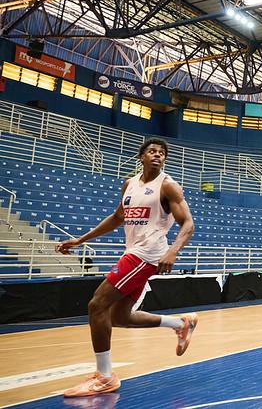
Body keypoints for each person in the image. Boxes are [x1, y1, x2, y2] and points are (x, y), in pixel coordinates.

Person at [55, 138, 197, 397]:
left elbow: (187, 223)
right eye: (152, 151)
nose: (158, 155)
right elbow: (117, 217)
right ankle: (180, 323)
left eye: (162, 153)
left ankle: (105, 377)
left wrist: (172, 251)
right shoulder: (129, 184)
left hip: (146, 255)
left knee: (97, 305)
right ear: (141, 157)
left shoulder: (167, 186)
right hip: (134, 252)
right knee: (120, 317)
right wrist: (80, 240)